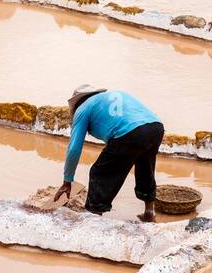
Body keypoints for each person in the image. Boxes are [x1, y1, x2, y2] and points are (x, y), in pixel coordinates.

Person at [53, 85, 165, 223]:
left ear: (77, 103)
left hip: (129, 132)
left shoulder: (82, 109)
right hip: (156, 127)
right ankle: (149, 212)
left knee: (99, 172)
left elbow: (74, 148)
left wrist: (67, 181)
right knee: (145, 167)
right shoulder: (112, 96)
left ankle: (94, 217)